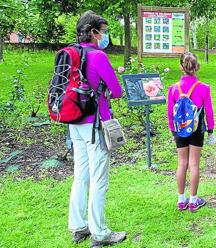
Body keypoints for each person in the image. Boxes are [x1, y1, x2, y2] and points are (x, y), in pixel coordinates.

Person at [67, 10, 127, 246]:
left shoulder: (72, 54)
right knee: (99, 178)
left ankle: (78, 226)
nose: (104, 35)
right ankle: (100, 232)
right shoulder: (99, 56)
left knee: (80, 175)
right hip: (95, 123)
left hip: (74, 122)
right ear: (93, 32)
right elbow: (118, 90)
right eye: (102, 31)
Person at [166, 52, 216, 213]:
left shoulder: (173, 89)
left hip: (179, 130)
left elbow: (169, 112)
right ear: (197, 67)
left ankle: (181, 201)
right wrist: (211, 130)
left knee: (182, 163)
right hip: (197, 130)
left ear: (181, 67)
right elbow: (209, 111)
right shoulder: (203, 88)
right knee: (194, 164)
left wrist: (173, 130)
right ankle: (193, 201)